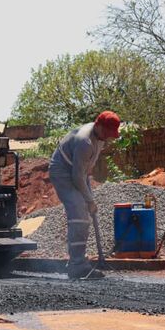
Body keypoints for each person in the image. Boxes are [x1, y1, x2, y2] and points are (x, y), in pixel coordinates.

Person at [48, 111, 121, 280]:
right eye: (107, 132)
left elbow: (84, 171)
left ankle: (77, 262)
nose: (108, 137)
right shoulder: (84, 142)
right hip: (62, 171)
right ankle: (77, 265)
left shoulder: (99, 138)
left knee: (84, 214)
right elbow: (76, 177)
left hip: (78, 172)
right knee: (79, 214)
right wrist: (89, 200)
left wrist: (89, 195)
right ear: (98, 125)